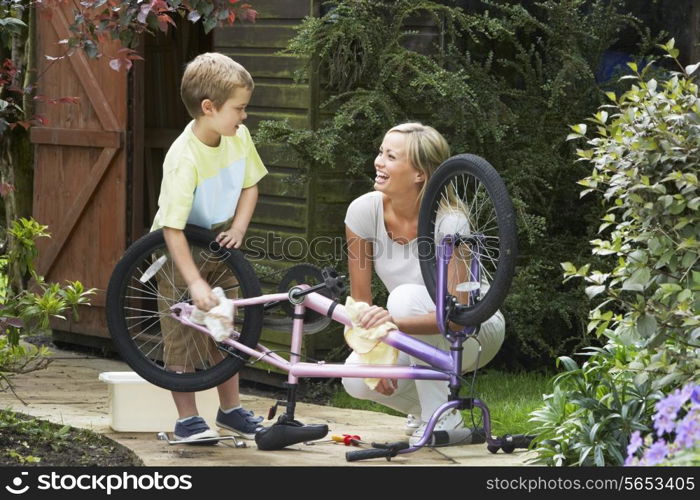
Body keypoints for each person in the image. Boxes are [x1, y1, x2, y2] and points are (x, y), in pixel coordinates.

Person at [341, 123, 505, 446]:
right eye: (380, 152)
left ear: (419, 174)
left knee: (402, 299)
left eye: (391, 156)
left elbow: (456, 316)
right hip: (410, 324)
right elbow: (360, 304)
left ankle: (445, 420)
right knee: (356, 377)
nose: (378, 161)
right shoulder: (362, 212)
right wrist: (378, 354)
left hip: (475, 330)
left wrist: (393, 326)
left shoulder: (450, 222)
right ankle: (432, 408)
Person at [151, 52, 268, 443]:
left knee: (224, 331)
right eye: (239, 108)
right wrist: (194, 282)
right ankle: (187, 419)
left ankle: (231, 412)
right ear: (208, 107)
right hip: (180, 252)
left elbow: (251, 185)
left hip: (220, 244)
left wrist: (238, 227)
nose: (244, 116)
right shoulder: (184, 158)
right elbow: (172, 229)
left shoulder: (238, 138)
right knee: (182, 336)